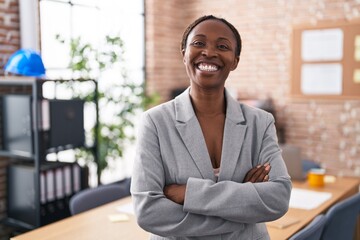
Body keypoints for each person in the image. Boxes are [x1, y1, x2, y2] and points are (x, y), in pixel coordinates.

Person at [131, 15, 291, 239]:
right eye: (198, 43)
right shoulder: (155, 123)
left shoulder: (261, 123)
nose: (209, 52)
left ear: (235, 60)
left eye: (222, 46)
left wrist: (189, 193)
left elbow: (278, 198)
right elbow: (148, 211)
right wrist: (241, 211)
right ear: (184, 54)